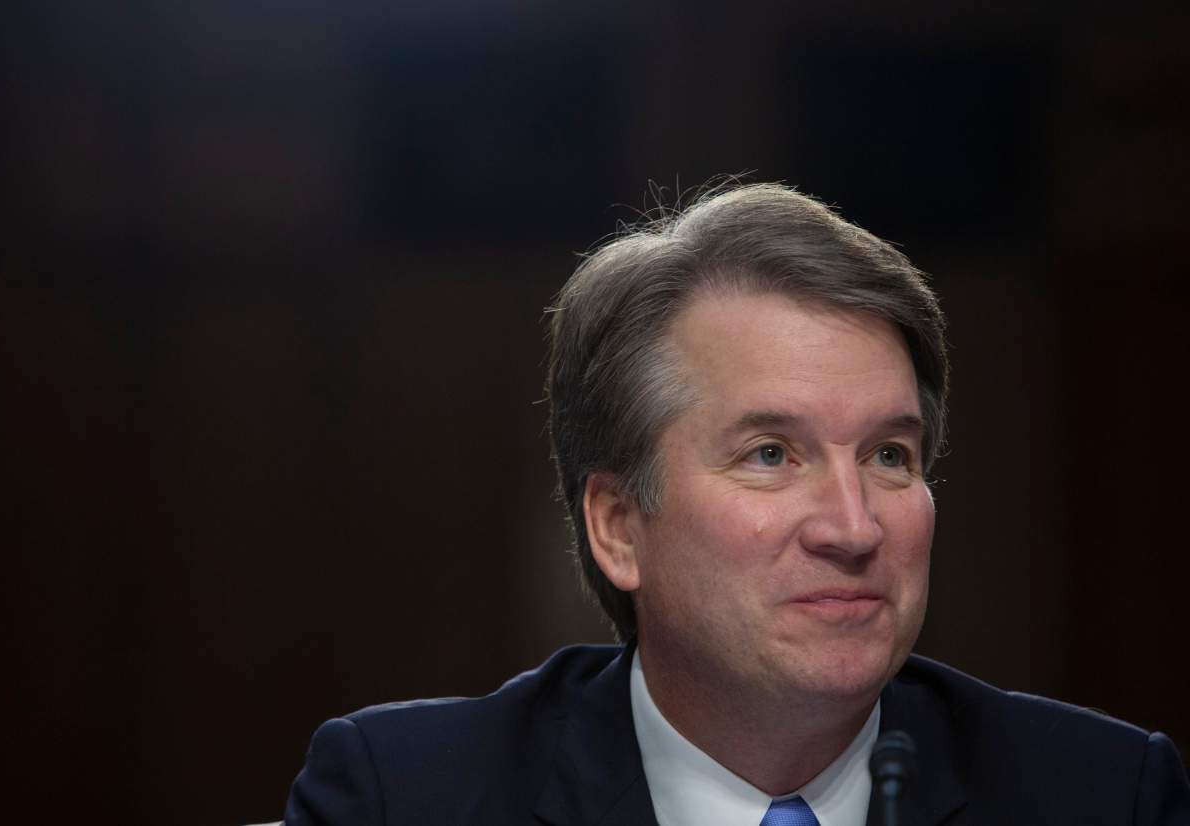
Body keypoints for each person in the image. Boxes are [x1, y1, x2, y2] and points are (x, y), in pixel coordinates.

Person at [283, 183, 1190, 825]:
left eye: (888, 455)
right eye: (770, 454)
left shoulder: (1105, 795)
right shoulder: (401, 798)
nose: (854, 526)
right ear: (617, 526)